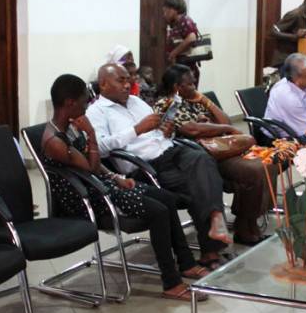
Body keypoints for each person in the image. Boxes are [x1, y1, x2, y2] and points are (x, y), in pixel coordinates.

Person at [42, 74, 208, 301]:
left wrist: (115, 176)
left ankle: (186, 263)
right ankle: (171, 282)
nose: (86, 106)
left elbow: (96, 166)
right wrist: (90, 134)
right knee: (158, 212)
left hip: (102, 185)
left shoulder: (71, 126)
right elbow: (90, 167)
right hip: (88, 198)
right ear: (69, 103)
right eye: (83, 102)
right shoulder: (54, 141)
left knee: (167, 199)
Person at [87, 63, 232, 270]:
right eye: (121, 80)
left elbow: (157, 131)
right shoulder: (97, 112)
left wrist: (167, 130)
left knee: (204, 159)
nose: (128, 85)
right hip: (146, 166)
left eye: (129, 79)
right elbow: (99, 148)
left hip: (170, 150)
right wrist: (136, 130)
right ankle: (210, 249)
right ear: (103, 84)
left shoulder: (137, 102)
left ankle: (215, 221)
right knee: (199, 185)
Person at [155, 64, 271, 245]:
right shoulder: (166, 103)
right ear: (178, 87)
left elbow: (224, 119)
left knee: (263, 164)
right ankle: (243, 225)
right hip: (198, 156)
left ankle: (248, 222)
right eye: (191, 84)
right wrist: (223, 128)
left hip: (220, 149)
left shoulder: (195, 100)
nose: (195, 86)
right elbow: (191, 129)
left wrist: (205, 101)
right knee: (253, 170)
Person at [162, 0, 206, 83]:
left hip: (187, 71)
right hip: (180, 70)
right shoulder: (175, 24)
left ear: (174, 9)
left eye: (166, 11)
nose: (164, 15)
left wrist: (174, 53)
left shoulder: (185, 21)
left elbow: (191, 37)